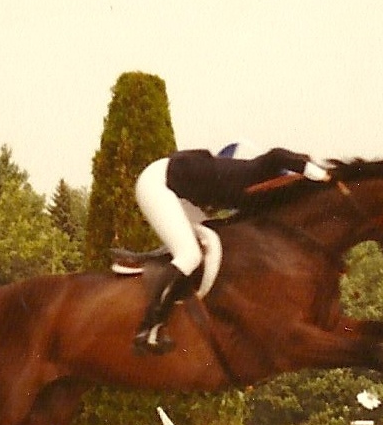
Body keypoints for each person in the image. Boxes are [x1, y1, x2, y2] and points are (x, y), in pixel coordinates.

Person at [129, 142, 331, 354]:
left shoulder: (258, 195)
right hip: (157, 184)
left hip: (179, 191)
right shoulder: (255, 172)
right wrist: (321, 175)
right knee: (190, 256)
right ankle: (149, 327)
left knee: (214, 243)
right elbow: (278, 155)